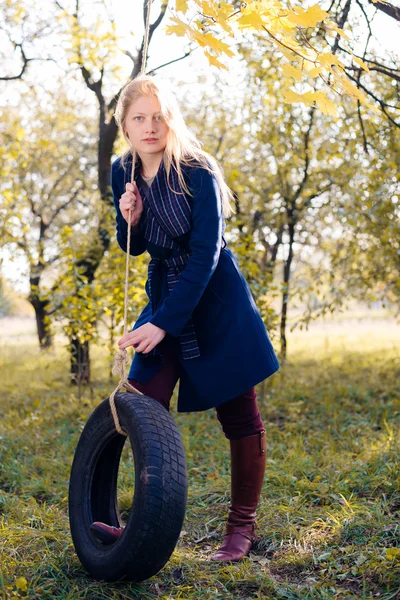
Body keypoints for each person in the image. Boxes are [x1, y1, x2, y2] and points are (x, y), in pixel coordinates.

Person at [90, 75, 280, 562]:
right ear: (125, 124)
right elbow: (134, 249)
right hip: (164, 295)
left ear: (169, 118)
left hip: (214, 300)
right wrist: (126, 219)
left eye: (158, 116)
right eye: (139, 118)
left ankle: (242, 529)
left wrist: (163, 324)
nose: (150, 126)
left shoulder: (198, 171)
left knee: (239, 414)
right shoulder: (122, 171)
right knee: (141, 404)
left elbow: (206, 254)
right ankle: (131, 524)